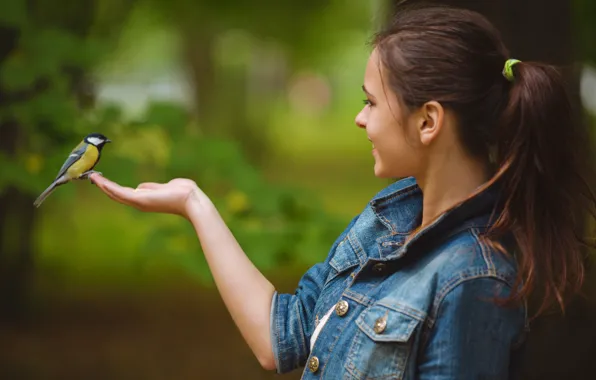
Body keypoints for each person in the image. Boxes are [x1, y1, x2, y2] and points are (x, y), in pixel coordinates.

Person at [89, 4, 596, 379]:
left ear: (428, 121)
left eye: (370, 102)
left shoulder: (472, 280)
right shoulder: (388, 222)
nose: (360, 118)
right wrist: (195, 204)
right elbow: (280, 337)